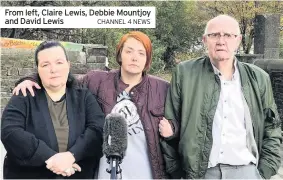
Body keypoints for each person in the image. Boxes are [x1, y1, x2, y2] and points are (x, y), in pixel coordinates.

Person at [12, 31, 176, 179]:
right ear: (119, 54)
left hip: (146, 172)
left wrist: (172, 130)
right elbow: (61, 80)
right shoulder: (96, 80)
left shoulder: (162, 88)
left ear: (147, 59)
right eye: (129, 51)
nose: (134, 57)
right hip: (104, 171)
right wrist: (31, 79)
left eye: (141, 53)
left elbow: (180, 122)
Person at [161, 14, 282, 179]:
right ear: (204, 40)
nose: (221, 40)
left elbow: (272, 127)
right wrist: (176, 172)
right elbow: (169, 124)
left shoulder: (258, 78)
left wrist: (264, 172)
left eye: (228, 35)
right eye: (214, 35)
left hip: (246, 172)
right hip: (200, 174)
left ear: (238, 40)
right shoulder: (185, 73)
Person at [1, 41, 105, 179]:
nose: (53, 69)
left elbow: (97, 130)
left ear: (68, 65)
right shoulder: (24, 95)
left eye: (59, 62)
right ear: (37, 69)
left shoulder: (84, 97)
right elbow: (10, 131)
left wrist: (71, 156)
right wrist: (51, 158)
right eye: (45, 64)